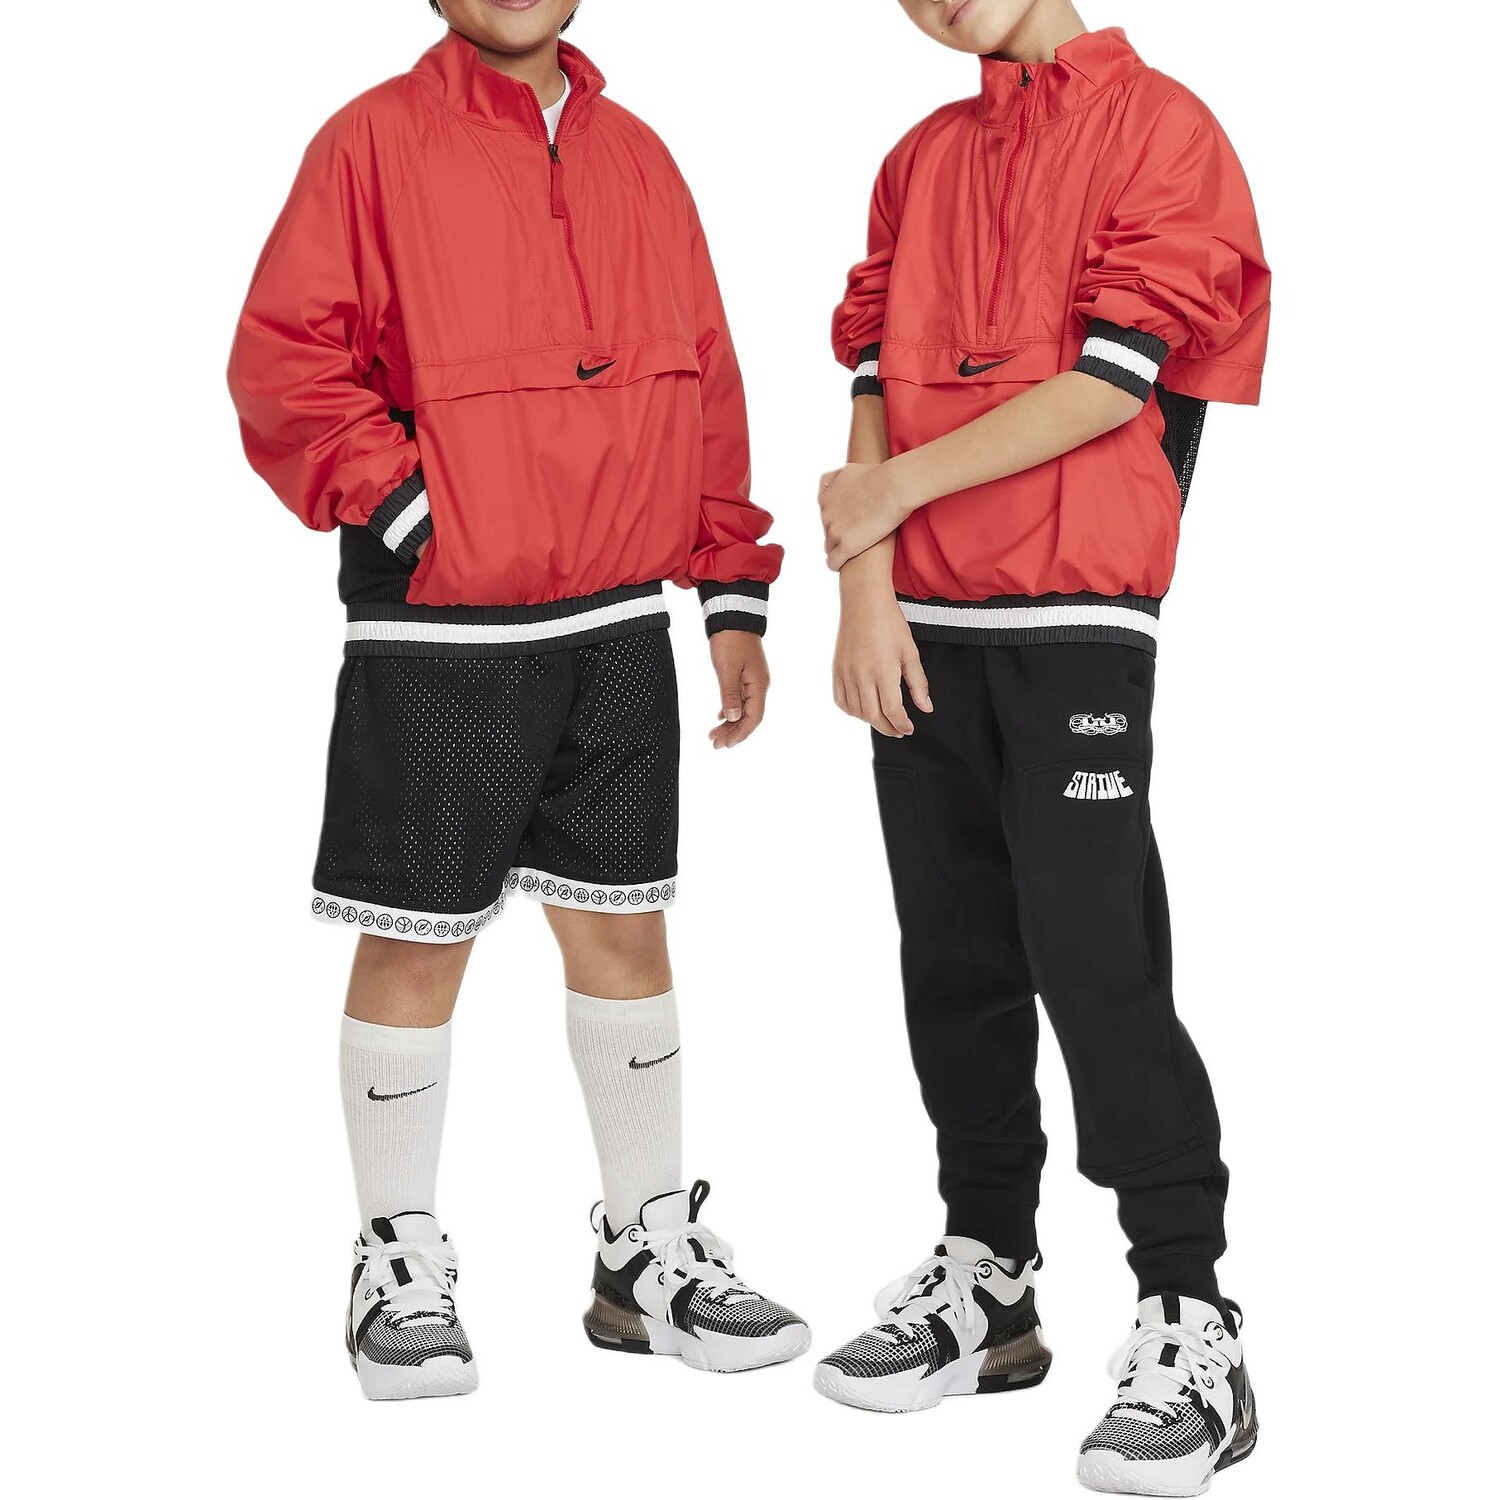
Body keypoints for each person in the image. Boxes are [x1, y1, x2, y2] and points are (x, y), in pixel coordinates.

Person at [227, 0, 807, 1401]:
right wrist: (416, 512)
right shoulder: (370, 144)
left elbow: (708, 377)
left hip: (617, 623)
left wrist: (729, 590)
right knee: (416, 944)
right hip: (443, 631)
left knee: (624, 930)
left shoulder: (642, 157)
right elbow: (285, 363)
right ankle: (396, 1259)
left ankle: (644, 1250)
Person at [812, 2, 1270, 1492]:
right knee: (952, 953)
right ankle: (988, 1279)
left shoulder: (1162, 126)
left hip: (1076, 612)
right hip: (923, 624)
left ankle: (1190, 1314)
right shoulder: (918, 157)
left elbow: (1113, 382)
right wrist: (865, 590)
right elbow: (872, 387)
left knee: (1094, 952)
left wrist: (885, 505)